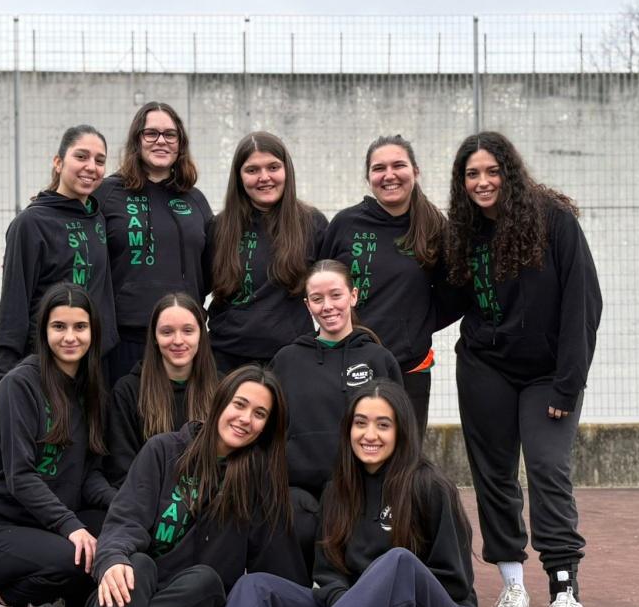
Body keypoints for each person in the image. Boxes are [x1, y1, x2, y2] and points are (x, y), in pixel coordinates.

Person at [160, 381, 477, 607]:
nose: (370, 434)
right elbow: (328, 574)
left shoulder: (429, 486)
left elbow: (452, 584)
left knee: (398, 563)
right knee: (258, 586)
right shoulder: (338, 490)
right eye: (360, 423)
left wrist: (372, 606)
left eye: (383, 425)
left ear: (402, 430)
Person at [24, 366, 306, 607]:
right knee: (136, 563)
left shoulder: (260, 484)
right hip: (126, 598)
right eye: (240, 404)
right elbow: (125, 522)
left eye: (260, 414)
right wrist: (111, 559)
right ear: (220, 402)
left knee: (206, 580)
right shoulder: (164, 451)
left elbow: (277, 576)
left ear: (267, 426)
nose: (246, 419)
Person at [443, 131, 602, 607]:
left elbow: (584, 304)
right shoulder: (465, 232)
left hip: (546, 375)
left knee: (547, 468)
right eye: (472, 174)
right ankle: (513, 585)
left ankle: (564, 592)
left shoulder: (554, 221)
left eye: (491, 171)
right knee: (492, 475)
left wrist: (568, 385)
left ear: (509, 173)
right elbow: (446, 300)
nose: (482, 182)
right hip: (485, 367)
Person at [0, 283, 115, 607]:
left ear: (93, 332)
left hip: (42, 527)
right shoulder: (19, 385)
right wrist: (71, 526)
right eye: (59, 327)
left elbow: (88, 474)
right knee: (76, 559)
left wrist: (123, 506)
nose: (70, 337)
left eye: (80, 327)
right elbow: (20, 476)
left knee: (113, 537)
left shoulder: (91, 390)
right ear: (44, 331)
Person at [269, 260, 403, 570]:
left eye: (336, 295)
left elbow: (399, 431)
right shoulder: (287, 360)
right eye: (317, 299)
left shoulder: (378, 359)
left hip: (361, 491)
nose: (327, 306)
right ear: (307, 305)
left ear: (353, 296)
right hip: (301, 494)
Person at [321, 135, 448, 431]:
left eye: (398, 165)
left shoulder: (434, 228)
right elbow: (320, 285)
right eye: (379, 168)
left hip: (410, 366)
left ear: (415, 172)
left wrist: (416, 325)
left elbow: (454, 294)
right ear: (368, 177)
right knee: (348, 452)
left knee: (406, 460)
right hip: (347, 360)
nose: (389, 175)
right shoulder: (346, 224)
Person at [97, 102, 213, 383]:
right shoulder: (107, 193)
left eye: (170, 135)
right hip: (124, 340)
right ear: (137, 140)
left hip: (181, 342)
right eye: (151, 133)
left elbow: (210, 267)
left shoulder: (194, 199)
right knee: (125, 423)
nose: (161, 141)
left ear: (180, 144)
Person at [0, 125, 117, 380]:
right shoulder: (30, 223)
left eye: (99, 160)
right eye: (81, 156)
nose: (91, 166)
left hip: (93, 368)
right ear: (58, 163)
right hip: (45, 365)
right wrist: (7, 373)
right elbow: (14, 300)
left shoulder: (98, 219)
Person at [207, 132, 327, 373]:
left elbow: (330, 293)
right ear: (239, 177)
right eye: (252, 170)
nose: (264, 178)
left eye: (273, 167)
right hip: (226, 360)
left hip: (293, 359)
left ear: (287, 171)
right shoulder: (218, 227)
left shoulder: (312, 224)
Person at [105, 292, 218, 487]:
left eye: (188, 331)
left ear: (201, 334)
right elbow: (121, 470)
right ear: (155, 337)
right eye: (167, 332)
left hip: (207, 502)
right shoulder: (128, 391)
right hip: (147, 503)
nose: (178, 340)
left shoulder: (222, 389)